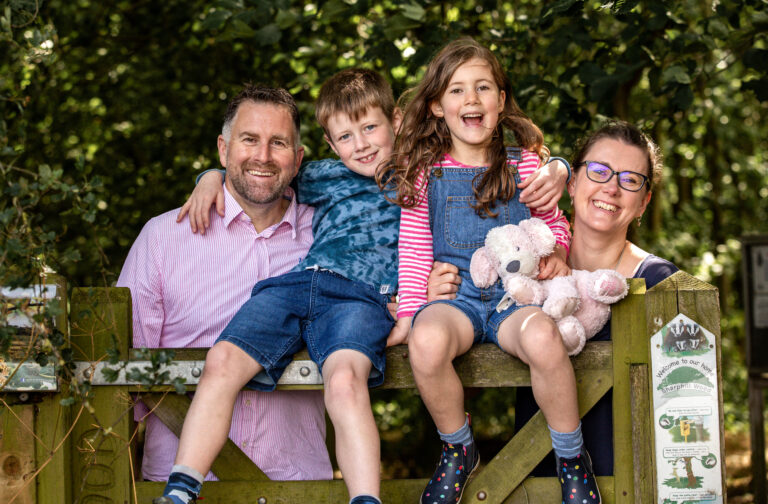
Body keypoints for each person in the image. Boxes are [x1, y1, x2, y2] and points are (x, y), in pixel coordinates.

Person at [159, 68, 409, 504]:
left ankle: (366, 499)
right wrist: (210, 176)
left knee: (345, 382)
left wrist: (415, 306)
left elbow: (454, 228)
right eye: (346, 137)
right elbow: (261, 172)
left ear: (398, 122)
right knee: (222, 358)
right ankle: (182, 485)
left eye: (370, 128)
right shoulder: (326, 175)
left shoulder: (424, 177)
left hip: (363, 300)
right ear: (330, 146)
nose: (362, 144)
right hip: (301, 281)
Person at [377, 37, 598, 504]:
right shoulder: (425, 170)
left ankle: (571, 457)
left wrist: (557, 249)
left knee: (544, 338)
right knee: (426, 341)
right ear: (437, 105)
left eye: (483, 87)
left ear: (501, 100)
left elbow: (553, 224)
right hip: (454, 298)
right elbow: (415, 248)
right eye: (456, 90)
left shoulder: (527, 164)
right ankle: (458, 447)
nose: (471, 99)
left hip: (514, 298)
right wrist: (410, 312)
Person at [116, 86, 333, 487]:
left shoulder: (328, 236)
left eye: (278, 143)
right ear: (223, 149)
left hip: (296, 485)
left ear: (298, 158)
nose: (263, 156)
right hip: (179, 487)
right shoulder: (164, 238)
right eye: (249, 139)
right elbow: (122, 381)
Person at [513, 121, 678, 477]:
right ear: (571, 183)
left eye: (631, 179)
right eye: (599, 171)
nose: (612, 188)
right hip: (531, 479)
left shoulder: (660, 284)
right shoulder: (526, 266)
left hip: (631, 484)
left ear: (644, 202)